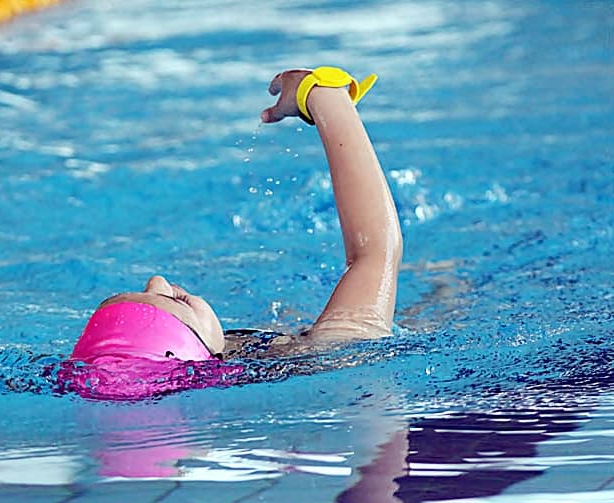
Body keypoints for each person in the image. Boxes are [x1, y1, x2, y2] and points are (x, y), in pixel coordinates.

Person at [61, 67, 403, 399]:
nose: (157, 280)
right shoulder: (327, 356)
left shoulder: (209, 368)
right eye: (173, 301)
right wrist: (320, 94)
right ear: (201, 353)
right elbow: (374, 252)